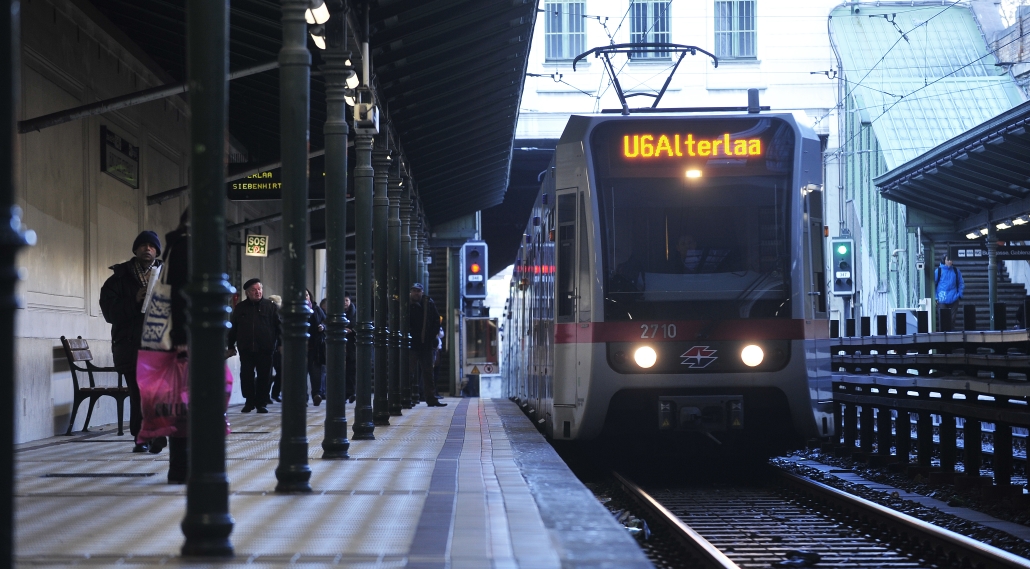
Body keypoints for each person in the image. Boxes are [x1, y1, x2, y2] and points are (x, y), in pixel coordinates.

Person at [99, 230, 162, 453]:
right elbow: (109, 313)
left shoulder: (166, 277)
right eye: (143, 245)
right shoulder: (118, 279)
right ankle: (142, 436)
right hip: (130, 345)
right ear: (135, 250)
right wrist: (135, 300)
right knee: (139, 393)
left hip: (160, 346)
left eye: (152, 246)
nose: (148, 249)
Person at [162, 210, 190, 483]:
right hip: (186, 340)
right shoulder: (184, 245)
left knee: (183, 403)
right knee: (185, 404)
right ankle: (182, 467)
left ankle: (181, 466)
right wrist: (181, 336)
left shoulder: (177, 244)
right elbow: (180, 294)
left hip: (185, 336)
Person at [227, 278, 281, 413]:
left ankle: (261, 403)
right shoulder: (240, 308)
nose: (257, 292)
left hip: (265, 348)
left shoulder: (271, 306)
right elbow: (233, 328)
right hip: (246, 348)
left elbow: (279, 327)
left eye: (259, 289)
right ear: (247, 293)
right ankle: (249, 401)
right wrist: (230, 345)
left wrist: (280, 344)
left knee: (264, 376)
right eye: (254, 290)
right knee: (246, 376)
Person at [408, 283, 447, 407]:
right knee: (409, 372)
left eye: (418, 291)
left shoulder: (429, 303)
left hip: (425, 344)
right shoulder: (407, 304)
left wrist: (430, 336)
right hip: (412, 344)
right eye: (414, 291)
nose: (416, 293)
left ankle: (431, 398)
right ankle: (406, 398)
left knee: (428, 373)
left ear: (422, 292)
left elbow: (436, 320)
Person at [305, 289, 327, 405]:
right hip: (301, 347)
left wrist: (322, 327)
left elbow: (326, 322)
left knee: (316, 373)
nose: (305, 297)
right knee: (302, 373)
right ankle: (303, 397)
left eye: (307, 295)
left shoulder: (316, 309)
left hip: (315, 347)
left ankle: (316, 394)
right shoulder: (295, 311)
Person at [935, 253, 964, 330]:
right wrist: (936, 297)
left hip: (954, 298)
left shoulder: (956, 271)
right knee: (943, 319)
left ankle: (951, 336)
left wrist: (959, 294)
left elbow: (961, 283)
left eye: (951, 260)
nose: (950, 261)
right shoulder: (938, 271)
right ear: (944, 260)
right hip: (941, 299)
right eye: (948, 260)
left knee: (952, 320)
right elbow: (933, 284)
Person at [266, 294, 283, 403]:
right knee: (268, 372)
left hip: (275, 347)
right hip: (271, 346)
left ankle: (271, 394)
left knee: (277, 372)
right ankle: (270, 394)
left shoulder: (280, 315)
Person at [343, 294, 357, 403]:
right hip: (342, 347)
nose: (345, 303)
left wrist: (351, 329)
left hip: (352, 347)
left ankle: (351, 392)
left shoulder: (355, 313)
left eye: (346, 300)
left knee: (351, 371)